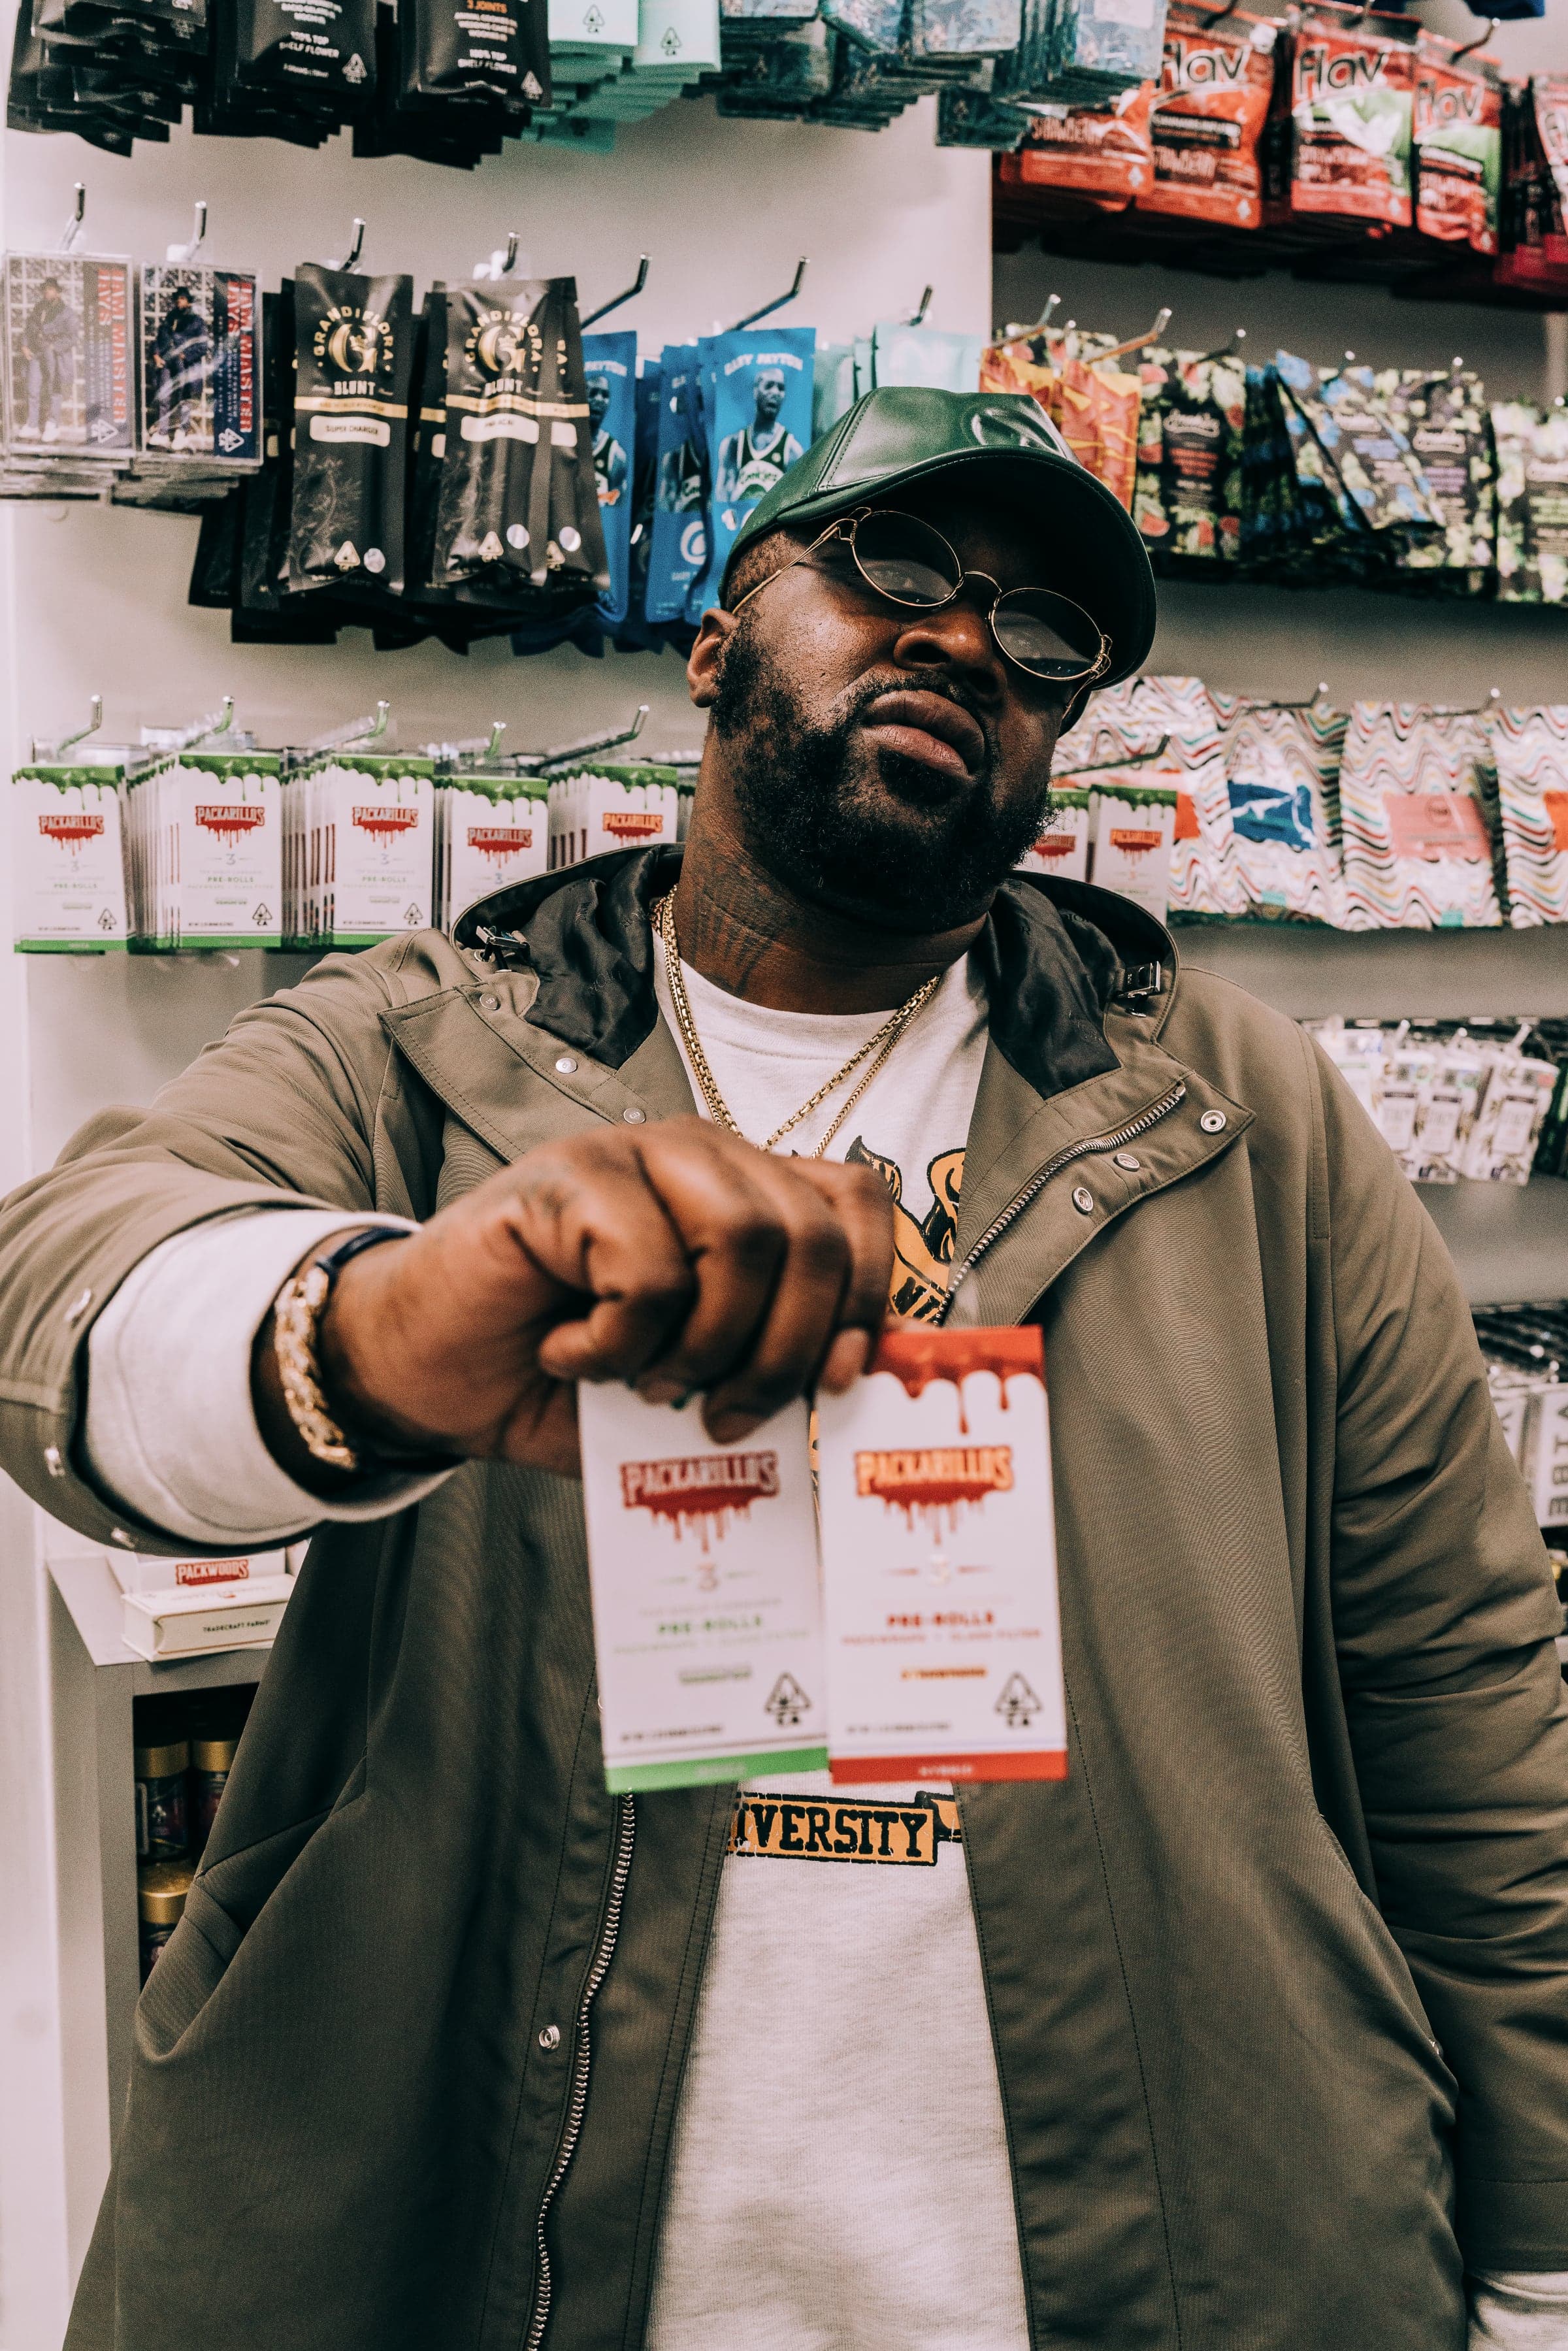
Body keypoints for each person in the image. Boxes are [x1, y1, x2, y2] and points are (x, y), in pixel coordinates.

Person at [2, 386, 1566, 2351]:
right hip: (488, 2208)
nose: (957, 638)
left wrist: (1536, 2255)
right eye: (887, 566)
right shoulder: (425, 1046)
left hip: (1179, 2224)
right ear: (713, 639)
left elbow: (1456, 1691)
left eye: (1039, 635)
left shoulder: (1234, 1111)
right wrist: (378, 1332)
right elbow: (71, 1283)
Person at [715, 361, 803, 505]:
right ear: (755, 392)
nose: (775, 393)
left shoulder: (793, 450)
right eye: (769, 386)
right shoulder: (733, 444)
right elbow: (723, 498)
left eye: (781, 388)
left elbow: (795, 504)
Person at [148, 281, 213, 452]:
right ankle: (162, 433)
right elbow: (159, 338)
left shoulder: (197, 322)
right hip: (168, 364)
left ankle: (181, 432)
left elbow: (203, 346)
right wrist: (156, 354)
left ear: (189, 301)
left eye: (183, 299)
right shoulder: (170, 319)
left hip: (187, 365)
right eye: (177, 299)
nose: (179, 302)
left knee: (186, 400)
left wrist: (185, 355)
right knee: (164, 397)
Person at [20, 271, 78, 442]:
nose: (47, 292)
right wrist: (24, 344)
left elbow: (73, 337)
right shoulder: (39, 308)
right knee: (33, 388)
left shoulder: (67, 313)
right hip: (37, 353)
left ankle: (53, 425)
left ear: (58, 292)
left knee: (55, 389)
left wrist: (54, 347)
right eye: (45, 289)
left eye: (51, 289)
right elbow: (30, 327)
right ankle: (32, 425)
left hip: (55, 356)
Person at [587, 370, 628, 510]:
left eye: (605, 395)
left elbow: (616, 513)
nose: (599, 399)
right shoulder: (562, 444)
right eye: (593, 393)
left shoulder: (617, 455)